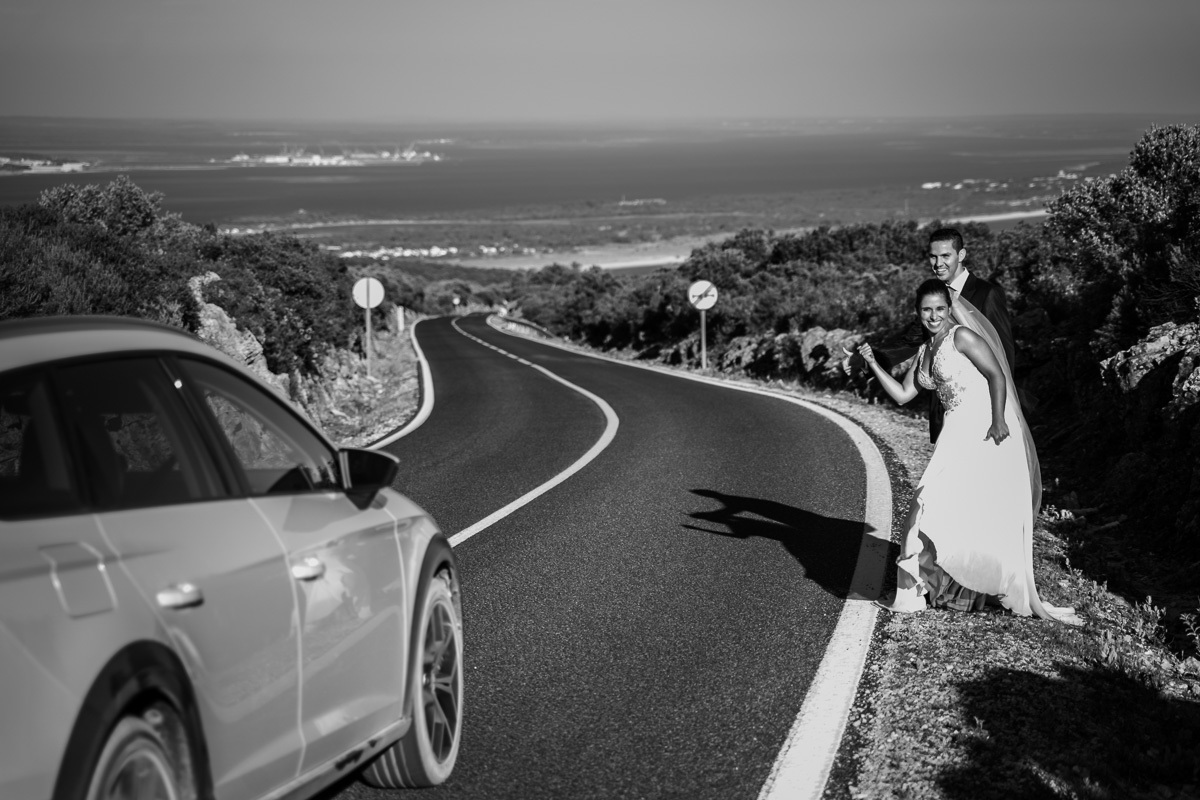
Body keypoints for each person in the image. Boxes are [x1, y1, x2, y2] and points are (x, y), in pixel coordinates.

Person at [859, 278, 1078, 623]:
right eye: (927, 310)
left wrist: (998, 420)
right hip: (954, 431)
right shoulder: (925, 350)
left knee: (939, 503)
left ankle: (943, 586)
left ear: (949, 308)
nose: (934, 316)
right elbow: (903, 395)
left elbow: (996, 375)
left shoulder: (961, 336)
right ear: (917, 311)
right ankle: (932, 588)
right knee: (942, 505)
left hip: (982, 428)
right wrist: (873, 363)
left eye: (940, 309)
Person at [843, 227, 1016, 443]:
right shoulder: (932, 300)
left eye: (945, 256)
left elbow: (1004, 355)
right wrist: (865, 361)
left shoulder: (987, 293)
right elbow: (907, 343)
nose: (938, 263)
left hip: (988, 413)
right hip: (945, 416)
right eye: (933, 257)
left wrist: (1001, 414)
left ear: (961, 255)